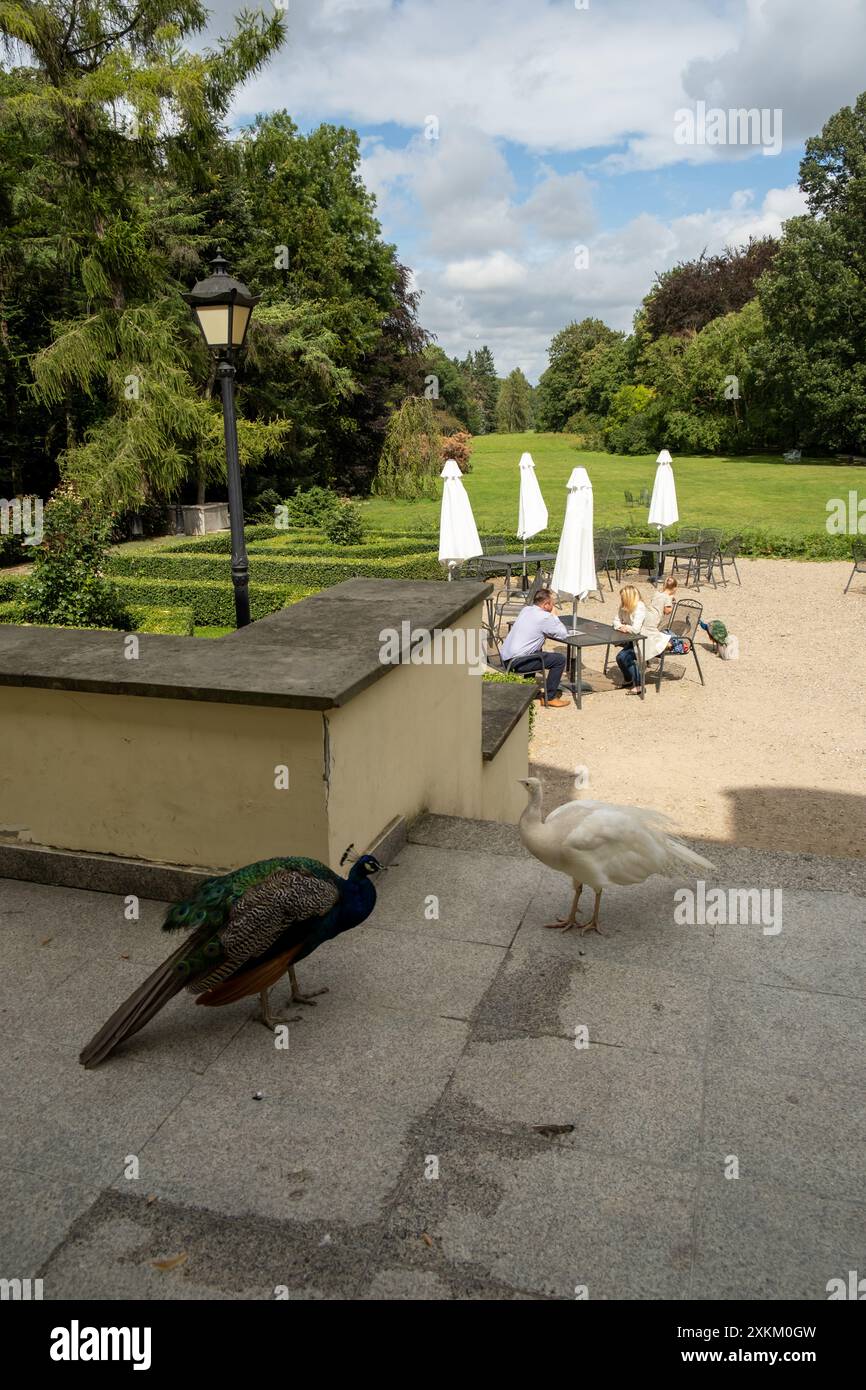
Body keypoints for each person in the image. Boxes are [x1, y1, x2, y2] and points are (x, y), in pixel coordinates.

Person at [500, 588, 571, 708]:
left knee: (536, 651)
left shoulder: (526, 609)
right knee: (559, 660)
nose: (554, 606)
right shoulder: (545, 617)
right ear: (546, 604)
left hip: (506, 659)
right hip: (517, 663)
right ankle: (550, 697)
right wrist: (553, 615)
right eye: (552, 604)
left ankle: (529, 689)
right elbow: (563, 634)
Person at [612, 585, 676, 694]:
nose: (621, 599)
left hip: (647, 641)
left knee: (624, 657)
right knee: (620, 657)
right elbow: (616, 621)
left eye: (623, 597)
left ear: (629, 597)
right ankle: (628, 680)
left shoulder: (639, 607)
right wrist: (621, 626)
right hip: (636, 640)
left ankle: (639, 686)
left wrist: (625, 627)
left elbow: (636, 629)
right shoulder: (624, 606)